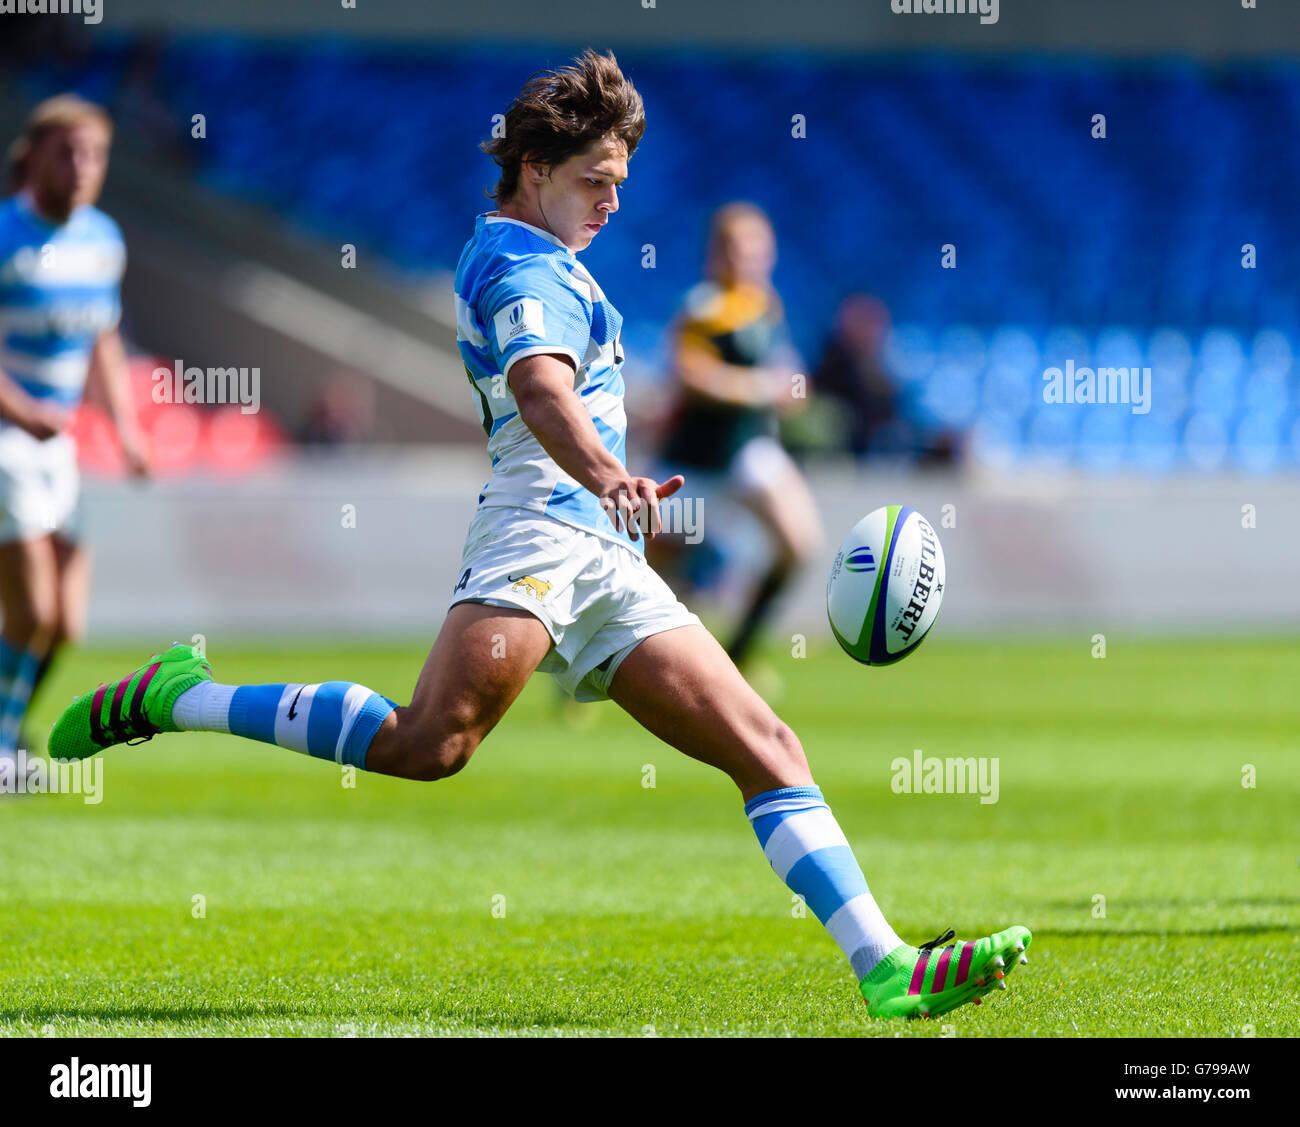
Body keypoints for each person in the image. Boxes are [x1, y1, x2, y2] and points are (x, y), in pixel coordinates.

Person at [48, 50, 1028, 1020]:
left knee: (768, 743)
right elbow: (538, 384)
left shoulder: (547, 260)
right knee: (430, 742)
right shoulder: (520, 264)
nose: (611, 202)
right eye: (595, 181)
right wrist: (608, 474)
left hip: (604, 551)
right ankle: (185, 693)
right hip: (540, 531)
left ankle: (884, 963)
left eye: (619, 184)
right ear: (534, 168)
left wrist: (613, 492)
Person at [0, 95, 148, 768]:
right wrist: (21, 409)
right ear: (33, 157)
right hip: (7, 440)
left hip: (58, 447)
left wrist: (127, 428)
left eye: (95, 153)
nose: (83, 166)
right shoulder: (7, 233)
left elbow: (104, 341)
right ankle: (3, 747)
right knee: (29, 610)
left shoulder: (102, 239)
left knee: (65, 623)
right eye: (68, 151)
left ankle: (7, 730)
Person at [652, 202, 822, 669]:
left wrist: (792, 387)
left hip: (748, 453)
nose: (747, 260)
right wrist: (761, 388)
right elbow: (690, 375)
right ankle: (592, 667)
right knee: (651, 575)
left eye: (757, 250)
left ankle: (739, 655)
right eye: (736, 249)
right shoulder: (702, 307)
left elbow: (787, 372)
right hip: (693, 463)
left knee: (799, 543)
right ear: (716, 254)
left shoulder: (764, 306)